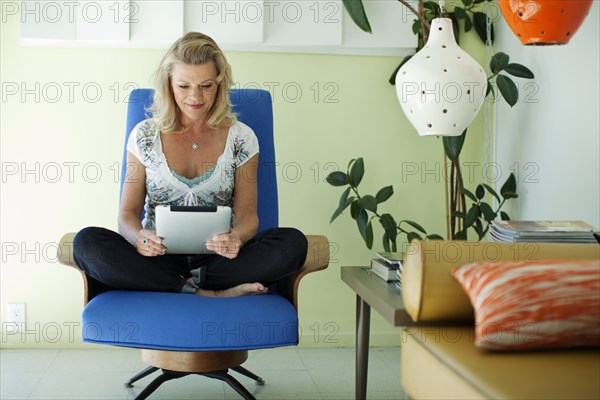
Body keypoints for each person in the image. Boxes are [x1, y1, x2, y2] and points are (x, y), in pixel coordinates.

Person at [73, 32, 308, 297]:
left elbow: (247, 217)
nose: (195, 97)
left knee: (293, 243)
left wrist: (237, 238)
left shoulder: (242, 137)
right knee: (86, 243)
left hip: (219, 261)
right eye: (184, 86)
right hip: (157, 257)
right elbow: (127, 215)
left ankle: (181, 283)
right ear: (169, 85)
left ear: (219, 84)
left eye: (206, 85)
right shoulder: (144, 135)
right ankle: (205, 291)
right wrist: (140, 237)